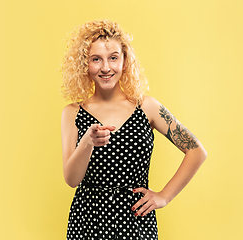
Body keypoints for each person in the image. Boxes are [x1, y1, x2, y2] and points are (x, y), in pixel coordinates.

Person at [60, 19, 207, 240]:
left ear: (125, 61)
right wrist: (87, 142)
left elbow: (196, 151)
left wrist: (164, 197)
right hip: (87, 222)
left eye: (113, 58)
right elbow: (72, 180)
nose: (106, 67)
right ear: (85, 64)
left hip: (135, 223)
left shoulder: (146, 107)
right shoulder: (72, 113)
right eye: (96, 59)